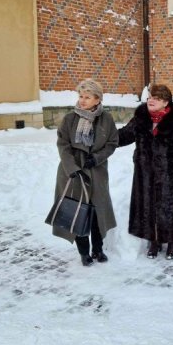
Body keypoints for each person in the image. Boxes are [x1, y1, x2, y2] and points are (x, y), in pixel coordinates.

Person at [118, 84, 173, 259]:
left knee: (169, 208)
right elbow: (125, 135)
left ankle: (172, 242)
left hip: (171, 173)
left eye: (156, 98)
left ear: (165, 102)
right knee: (150, 207)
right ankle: (154, 241)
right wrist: (105, 137)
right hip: (145, 174)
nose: (151, 101)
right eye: (150, 98)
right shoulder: (141, 118)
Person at [53, 79, 119, 267]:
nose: (82, 100)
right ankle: (83, 253)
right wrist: (73, 169)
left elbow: (112, 143)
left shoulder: (106, 119)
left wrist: (96, 158)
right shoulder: (69, 119)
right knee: (78, 212)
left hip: (96, 172)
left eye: (87, 97)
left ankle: (98, 249)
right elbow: (63, 145)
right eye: (81, 96)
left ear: (97, 99)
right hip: (73, 172)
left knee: (98, 212)